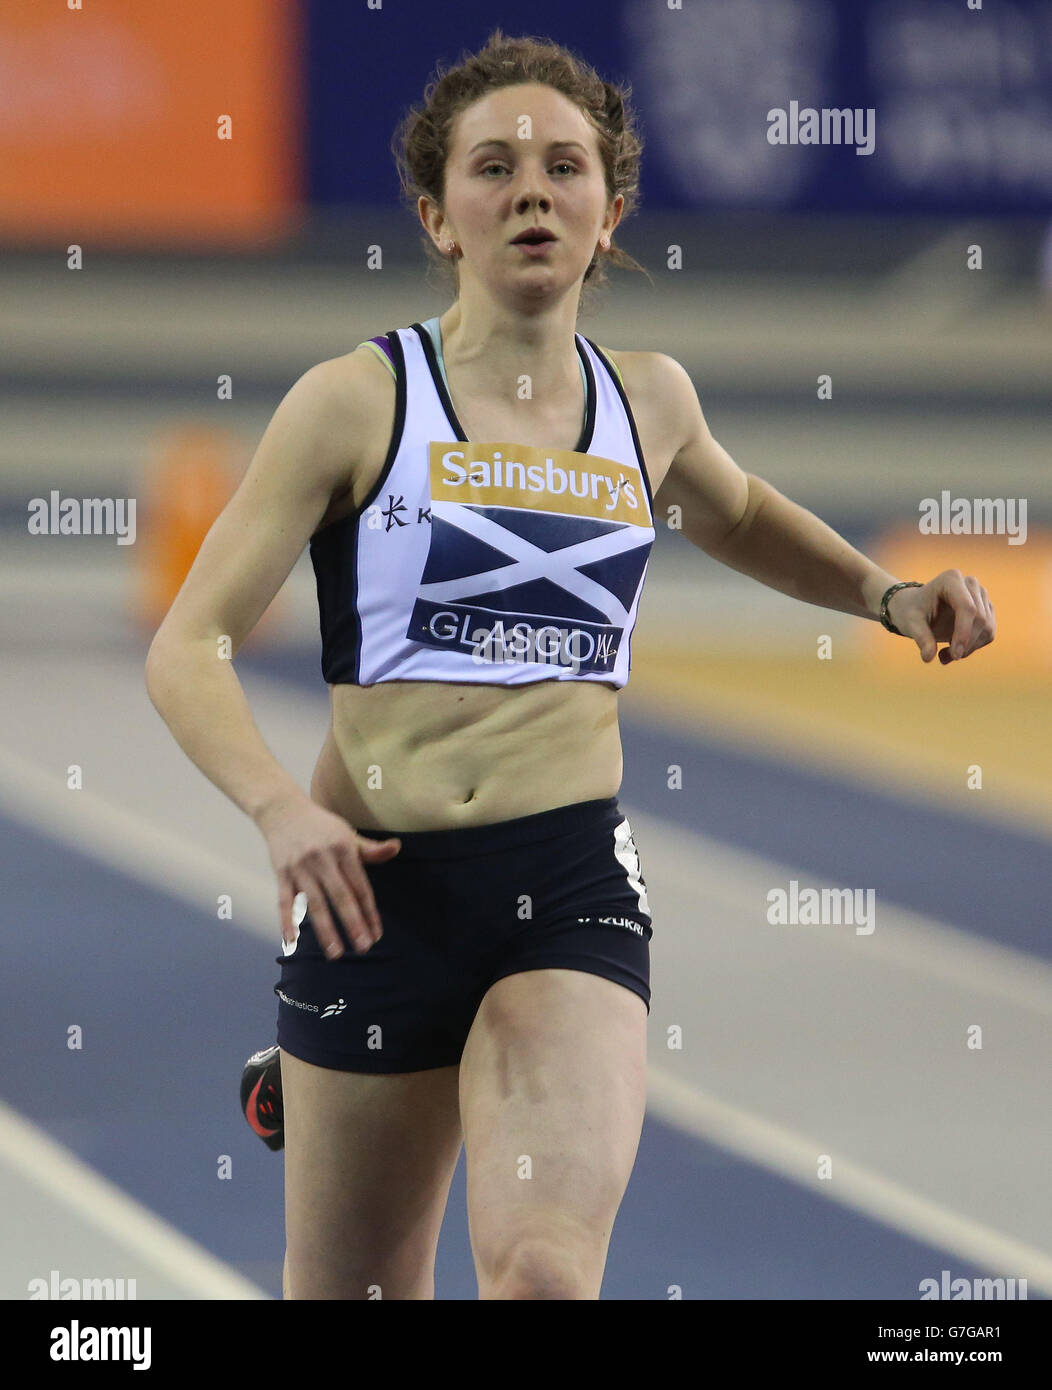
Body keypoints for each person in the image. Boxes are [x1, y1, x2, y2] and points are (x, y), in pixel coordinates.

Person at [145, 30, 996, 1301]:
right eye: (494, 168)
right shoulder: (356, 401)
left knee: (542, 1271)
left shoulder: (649, 401)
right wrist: (277, 812)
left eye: (563, 167)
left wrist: (886, 592)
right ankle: (306, 1071)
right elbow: (188, 640)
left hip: (564, 880)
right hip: (374, 889)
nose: (532, 189)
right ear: (438, 217)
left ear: (608, 214)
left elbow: (743, 513)